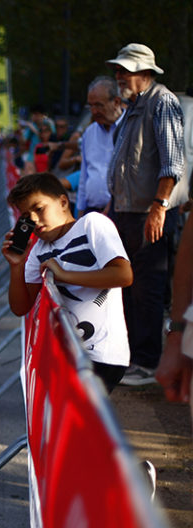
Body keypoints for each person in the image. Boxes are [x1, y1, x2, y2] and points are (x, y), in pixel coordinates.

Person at [3, 172, 132, 392]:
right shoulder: (37, 252)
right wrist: (16, 266)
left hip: (101, 353)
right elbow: (21, 307)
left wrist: (64, 275)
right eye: (26, 215)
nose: (33, 219)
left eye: (39, 209)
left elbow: (123, 275)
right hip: (68, 354)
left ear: (63, 202)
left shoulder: (92, 223)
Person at [105, 43, 186, 386]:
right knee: (128, 288)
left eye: (125, 69)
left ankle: (147, 362)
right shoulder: (136, 106)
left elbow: (172, 163)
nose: (119, 75)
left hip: (148, 213)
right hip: (127, 212)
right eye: (119, 69)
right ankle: (136, 358)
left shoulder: (162, 102)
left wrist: (159, 206)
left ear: (144, 72)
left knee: (146, 290)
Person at [76, 77, 125, 215]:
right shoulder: (89, 133)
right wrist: (81, 211)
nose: (94, 111)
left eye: (98, 105)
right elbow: (84, 175)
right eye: (90, 106)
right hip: (92, 211)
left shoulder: (131, 129)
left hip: (120, 212)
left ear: (116, 102)